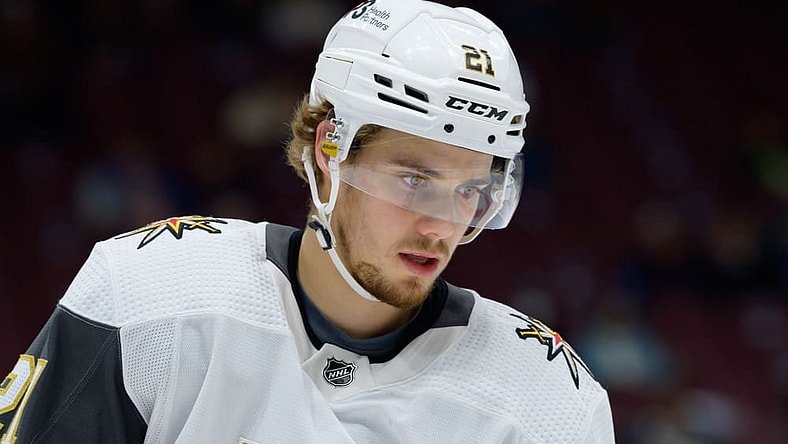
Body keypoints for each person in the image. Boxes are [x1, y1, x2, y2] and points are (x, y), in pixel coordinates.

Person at [0, 0, 615, 442]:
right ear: (329, 153)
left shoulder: (548, 402)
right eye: (414, 181)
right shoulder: (155, 296)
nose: (441, 226)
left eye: (470, 191)